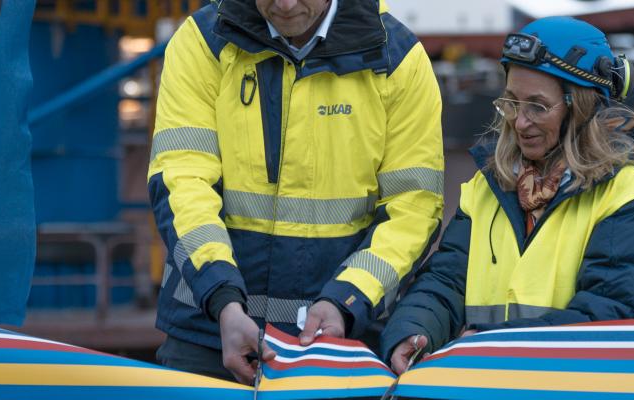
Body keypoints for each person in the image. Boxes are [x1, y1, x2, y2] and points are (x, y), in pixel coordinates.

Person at [147, 0, 444, 383]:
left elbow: (414, 208)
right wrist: (221, 300)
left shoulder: (397, 58)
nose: (285, 4)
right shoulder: (204, 41)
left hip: (339, 343)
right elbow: (181, 180)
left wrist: (347, 300)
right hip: (207, 336)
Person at [379, 16, 634, 374]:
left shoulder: (628, 198)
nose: (519, 121)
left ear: (582, 107)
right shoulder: (487, 189)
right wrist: (413, 332)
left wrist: (486, 345)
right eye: (511, 102)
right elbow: (445, 282)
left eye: (537, 107)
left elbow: (601, 315)